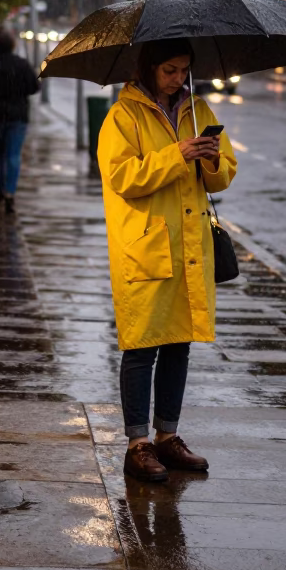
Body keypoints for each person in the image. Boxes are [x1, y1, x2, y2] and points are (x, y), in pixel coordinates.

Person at [96, 38, 237, 484]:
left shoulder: (199, 112)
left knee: (179, 342)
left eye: (184, 70)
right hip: (145, 246)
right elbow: (123, 177)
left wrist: (212, 160)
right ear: (150, 68)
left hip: (190, 247)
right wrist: (177, 155)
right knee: (141, 346)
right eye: (170, 70)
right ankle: (137, 444)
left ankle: (167, 436)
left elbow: (225, 174)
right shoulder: (124, 116)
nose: (179, 79)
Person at [0, 26, 39, 213]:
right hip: (17, 115)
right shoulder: (22, 65)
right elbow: (34, 87)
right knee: (13, 155)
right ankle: (10, 192)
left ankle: (0, 191)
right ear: (12, 44)